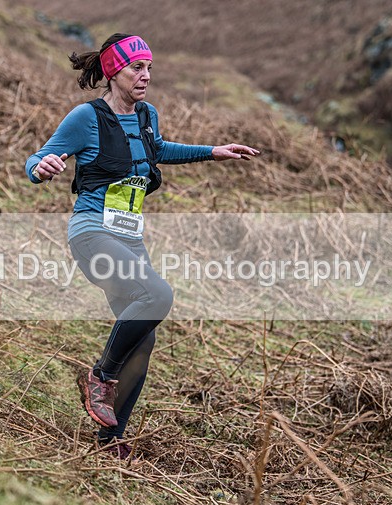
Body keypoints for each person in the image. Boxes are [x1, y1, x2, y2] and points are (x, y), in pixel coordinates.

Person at [25, 33, 259, 459]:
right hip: (93, 233)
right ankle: (100, 377)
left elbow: (158, 149)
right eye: (137, 68)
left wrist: (213, 151)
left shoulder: (147, 115)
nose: (146, 75)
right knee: (158, 295)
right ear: (114, 72)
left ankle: (110, 439)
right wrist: (42, 168)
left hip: (130, 239)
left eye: (149, 68)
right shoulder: (86, 118)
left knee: (142, 340)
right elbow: (37, 159)